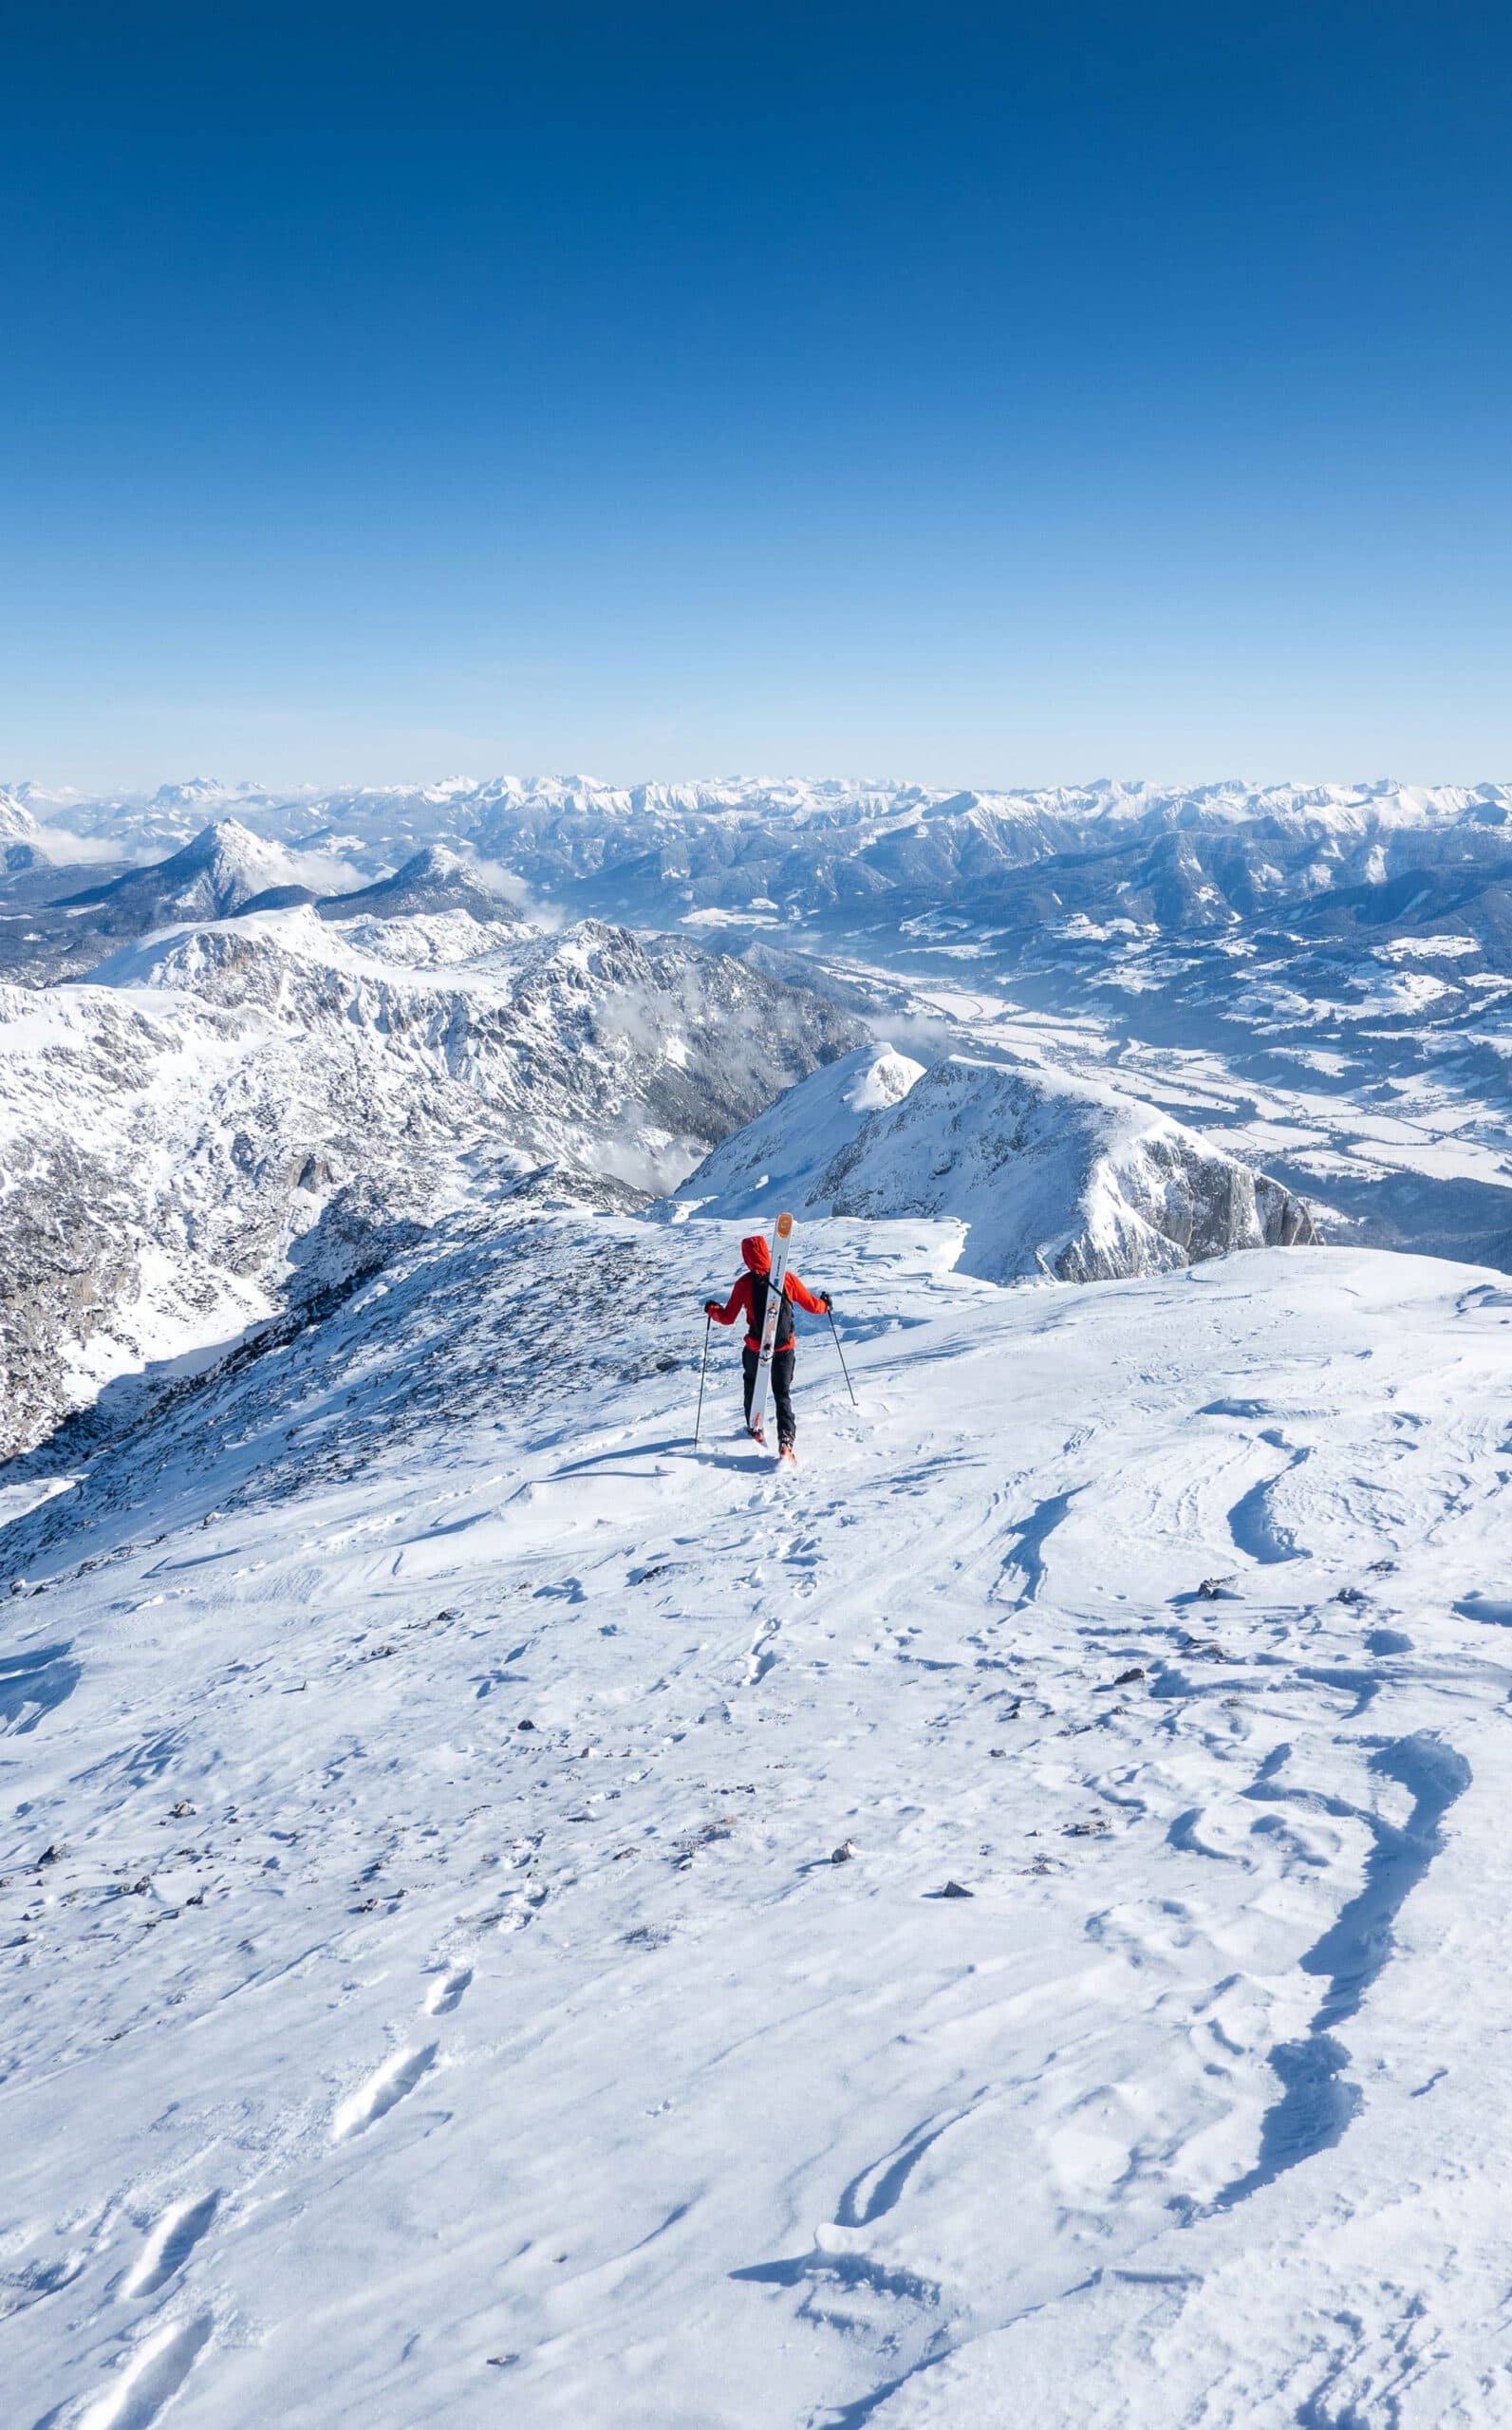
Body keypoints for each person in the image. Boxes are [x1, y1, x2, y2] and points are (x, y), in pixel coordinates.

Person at [704, 1232, 831, 1461]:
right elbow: (812, 1305)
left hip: (756, 1349)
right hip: (784, 1349)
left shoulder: (744, 1283)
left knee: (753, 1386)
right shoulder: (787, 1279)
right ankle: (786, 1441)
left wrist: (712, 1310)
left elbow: (728, 1317)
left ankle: (755, 1428)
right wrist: (825, 1305)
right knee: (782, 1394)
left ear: (747, 1257)